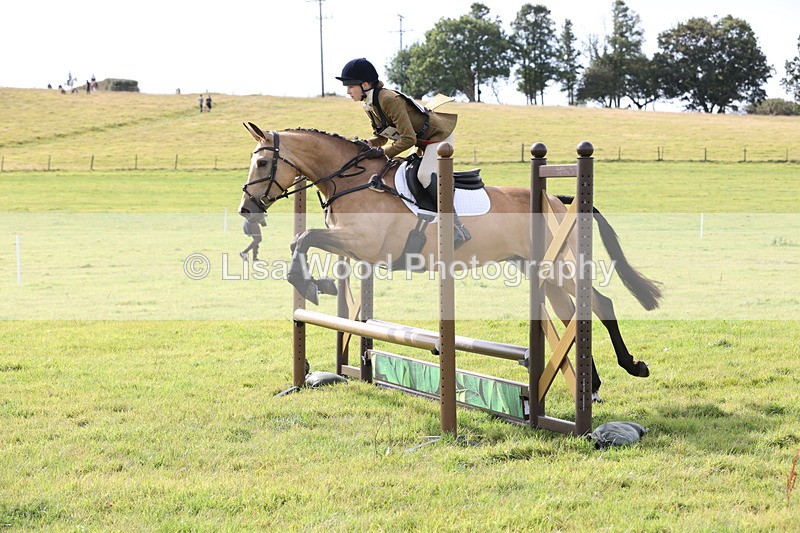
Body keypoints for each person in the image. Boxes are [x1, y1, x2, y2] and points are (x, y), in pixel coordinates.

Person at [335, 57, 470, 246]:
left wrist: (382, 153)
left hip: (438, 137)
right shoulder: (369, 103)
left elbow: (408, 139)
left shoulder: (388, 99)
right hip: (421, 140)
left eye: (350, 86)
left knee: (424, 175)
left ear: (365, 84)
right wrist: (364, 144)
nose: (348, 91)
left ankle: (456, 226)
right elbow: (382, 137)